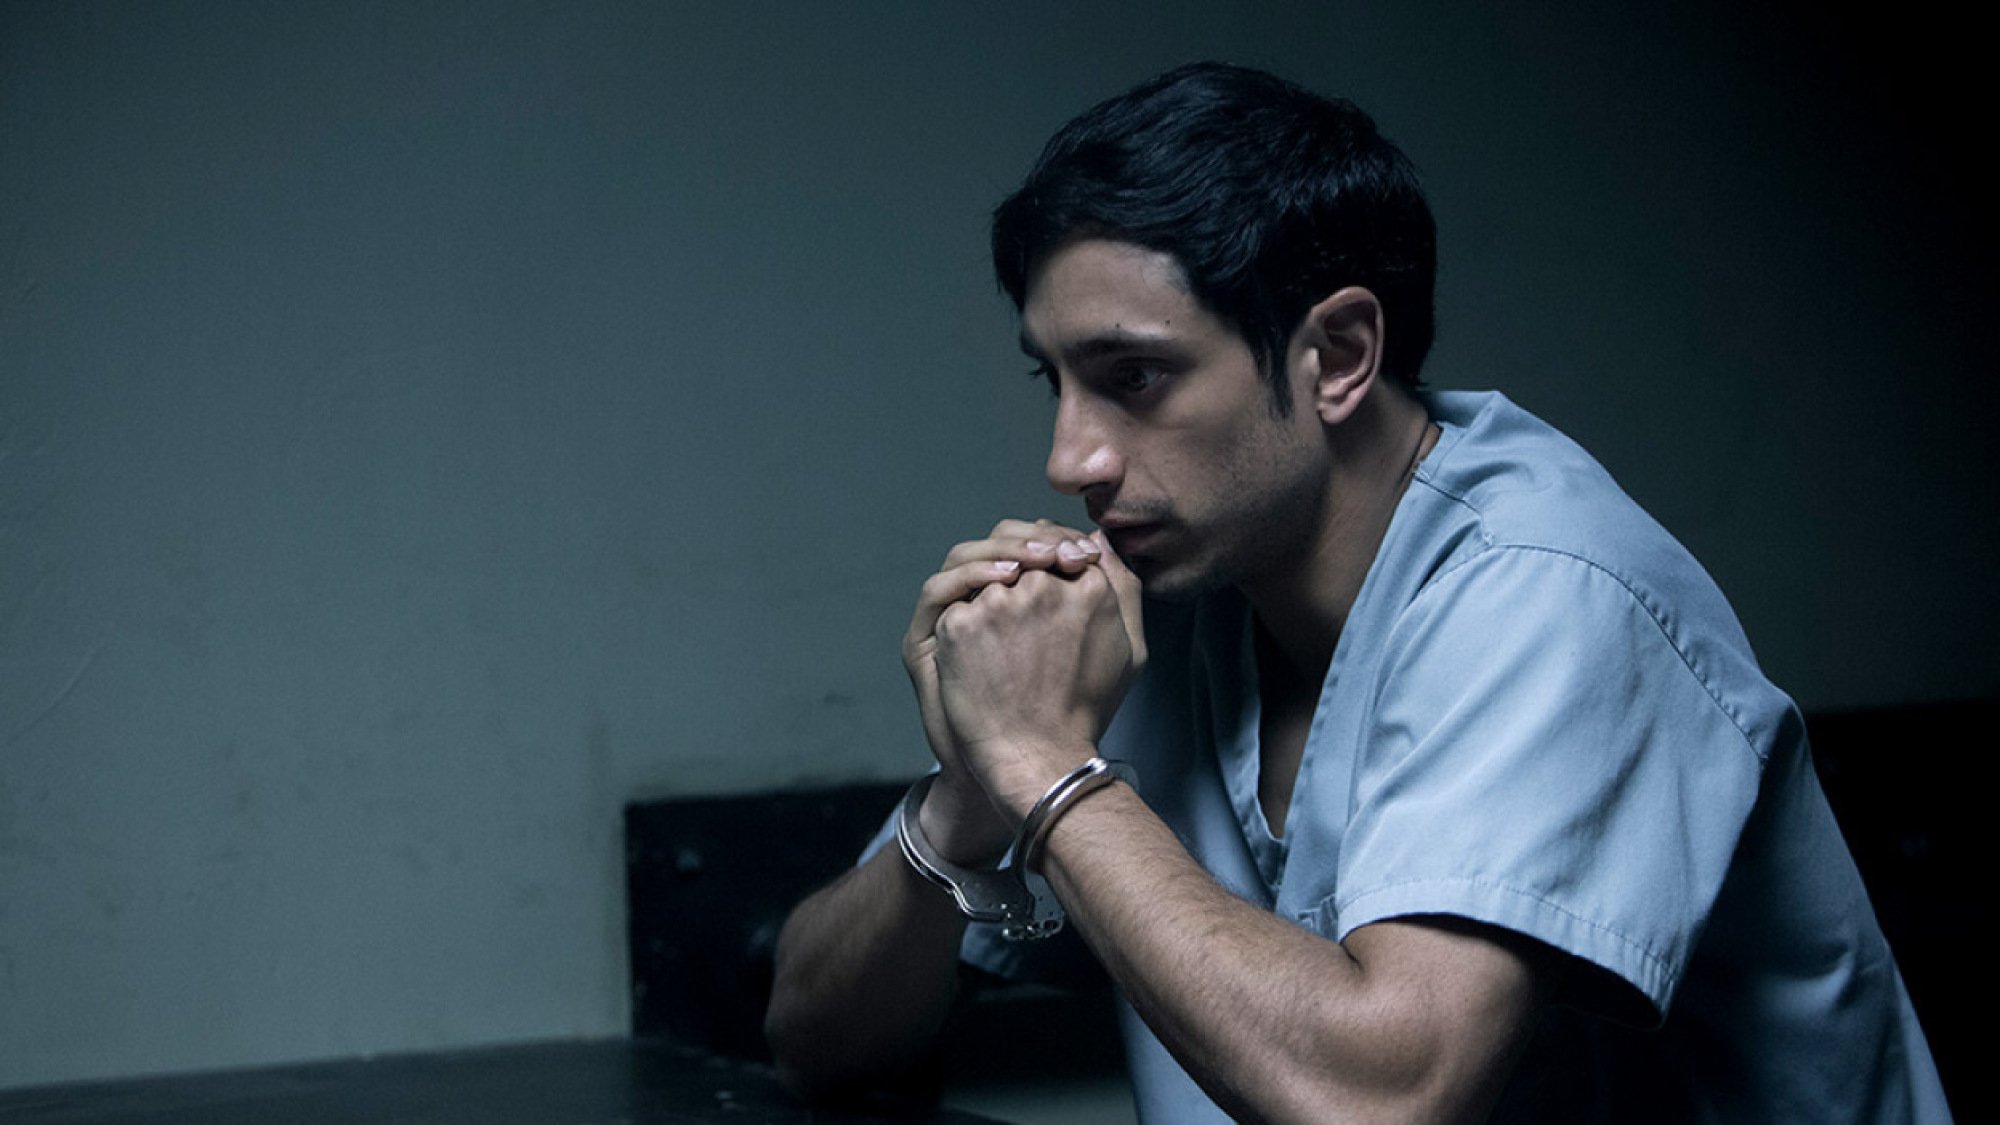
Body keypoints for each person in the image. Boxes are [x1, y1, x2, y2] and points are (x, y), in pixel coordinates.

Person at [764, 62, 1950, 1123]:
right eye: (1057, 383)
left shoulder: (1547, 591)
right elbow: (812, 1037)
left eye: (1134, 377)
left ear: (1335, 356)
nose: (1070, 459)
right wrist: (974, 789)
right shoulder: (1154, 598)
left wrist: (1046, 773)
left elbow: (1375, 1107)